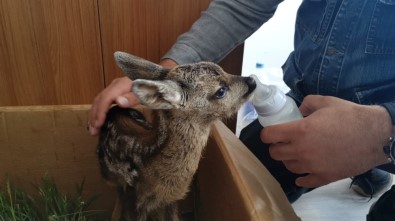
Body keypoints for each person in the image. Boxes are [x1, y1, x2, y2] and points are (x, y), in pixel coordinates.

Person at [89, 0, 395, 207]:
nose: (247, 81)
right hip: (302, 106)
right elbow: (244, 5)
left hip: (384, 126)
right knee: (230, 193)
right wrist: (170, 71)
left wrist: (380, 134)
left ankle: (375, 166)